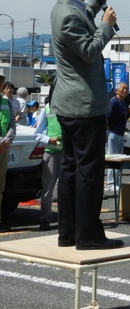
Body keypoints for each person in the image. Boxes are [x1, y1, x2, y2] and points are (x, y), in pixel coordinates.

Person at [50, 0, 124, 249]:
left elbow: (90, 7)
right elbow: (90, 51)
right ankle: (89, 235)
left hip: (70, 105)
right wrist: (106, 26)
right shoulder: (67, 15)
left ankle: (68, 232)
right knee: (88, 172)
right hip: (84, 106)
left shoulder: (68, 8)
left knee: (70, 169)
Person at [34, 97, 63, 231]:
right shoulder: (45, 109)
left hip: (66, 153)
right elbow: (37, 134)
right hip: (51, 152)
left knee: (66, 188)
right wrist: (49, 139)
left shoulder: (68, 106)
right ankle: (45, 219)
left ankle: (65, 219)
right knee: (48, 189)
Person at [105, 82, 130, 194]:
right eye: (123, 89)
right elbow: (107, 117)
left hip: (120, 134)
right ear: (117, 90)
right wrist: (106, 132)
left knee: (119, 159)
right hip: (113, 133)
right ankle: (110, 183)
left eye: (126, 89)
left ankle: (117, 182)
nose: (125, 91)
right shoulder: (114, 101)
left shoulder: (123, 103)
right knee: (112, 159)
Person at [0, 75, 17, 230]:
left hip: (3, 149)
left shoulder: (7, 103)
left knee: (1, 186)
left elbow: (12, 124)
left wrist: (6, 141)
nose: (3, 86)